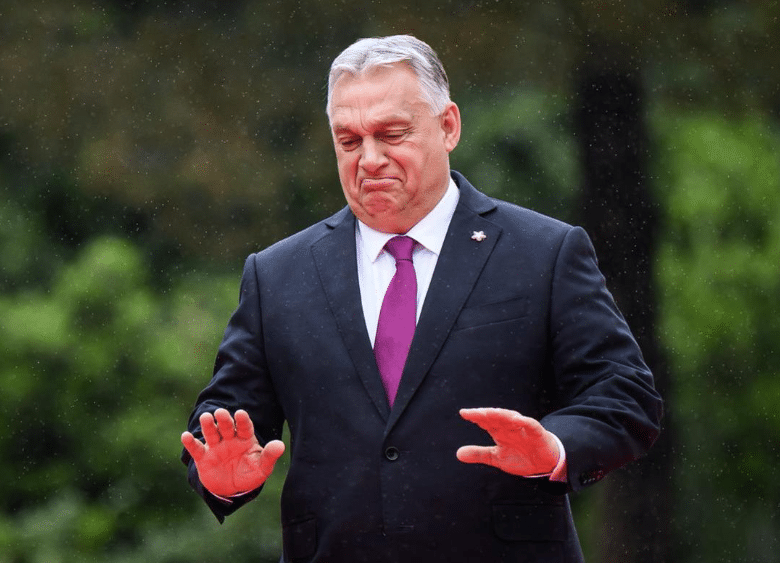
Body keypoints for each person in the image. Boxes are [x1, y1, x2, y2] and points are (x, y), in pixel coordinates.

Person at [180, 34, 662, 562]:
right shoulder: (277, 275)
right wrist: (221, 476)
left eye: (392, 134)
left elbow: (624, 396)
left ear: (448, 125)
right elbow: (227, 422)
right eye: (348, 140)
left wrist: (556, 446)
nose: (369, 159)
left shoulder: (542, 252)